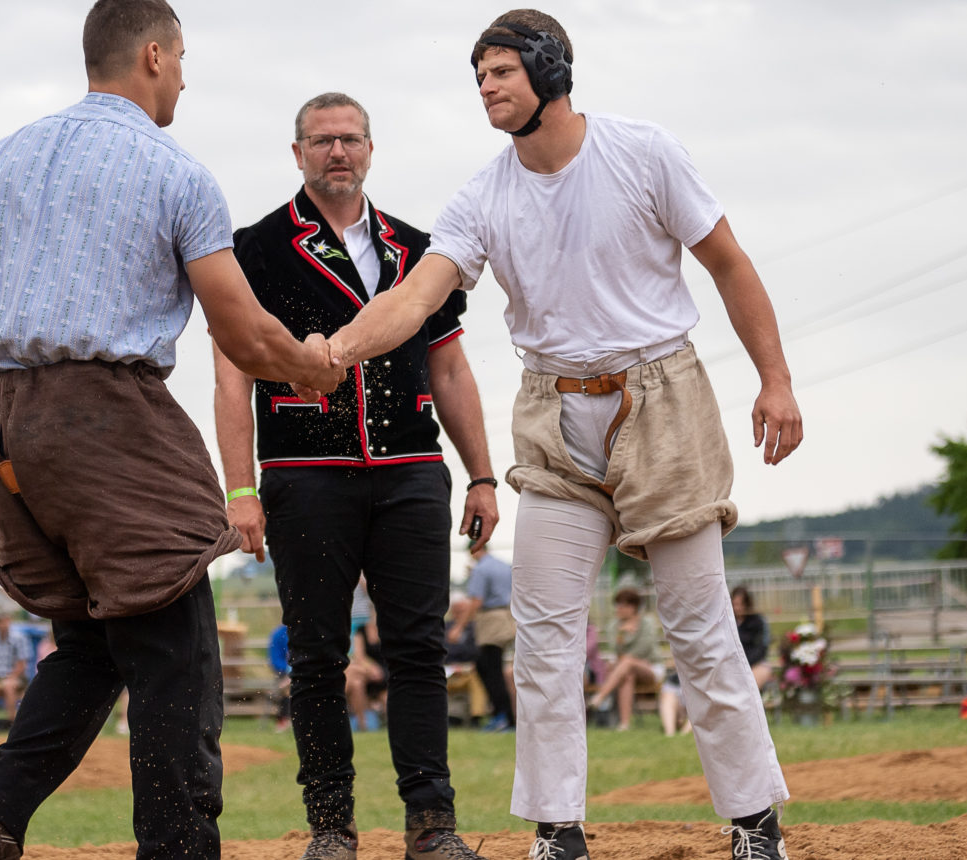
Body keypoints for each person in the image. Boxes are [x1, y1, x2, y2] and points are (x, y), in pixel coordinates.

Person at [323, 10, 801, 858]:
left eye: (500, 71)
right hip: (551, 413)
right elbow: (414, 299)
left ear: (549, 69)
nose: (486, 88)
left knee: (697, 624)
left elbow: (728, 262)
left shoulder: (642, 152)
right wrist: (331, 352)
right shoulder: (483, 195)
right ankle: (558, 832)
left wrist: (776, 379)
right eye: (478, 76)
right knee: (543, 630)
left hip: (661, 398)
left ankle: (755, 823)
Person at [0, 2, 342, 857]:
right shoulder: (176, 172)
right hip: (108, 420)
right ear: (152, 55)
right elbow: (244, 333)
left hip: (4, 424)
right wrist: (314, 366)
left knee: (93, 644)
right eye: (181, 59)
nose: (184, 75)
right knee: (176, 653)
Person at [212, 89, 497, 860]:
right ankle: (331, 828)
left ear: (371, 150)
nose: (338, 152)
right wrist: (239, 490)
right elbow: (230, 378)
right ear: (297, 153)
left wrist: (482, 476)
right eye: (322, 140)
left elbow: (451, 366)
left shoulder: (418, 248)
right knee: (316, 657)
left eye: (350, 139)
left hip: (411, 470)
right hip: (305, 474)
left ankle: (432, 825)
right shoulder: (255, 247)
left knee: (417, 651)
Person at [450, 542, 515, 731]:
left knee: (491, 668)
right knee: (487, 665)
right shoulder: (504, 566)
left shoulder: (480, 569)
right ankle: (503, 714)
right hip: (507, 616)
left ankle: (503, 716)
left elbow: (476, 600)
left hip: (491, 619)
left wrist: (459, 627)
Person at [587, 589, 664, 732]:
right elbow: (616, 649)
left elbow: (644, 649)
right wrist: (622, 634)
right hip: (626, 671)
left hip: (651, 669)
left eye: (623, 605)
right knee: (627, 674)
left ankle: (600, 696)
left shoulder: (646, 623)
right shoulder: (613, 626)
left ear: (633, 607)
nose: (619, 608)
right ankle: (624, 724)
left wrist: (629, 649)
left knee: (628, 663)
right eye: (618, 605)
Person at [731, 586, 774, 688]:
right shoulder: (728, 622)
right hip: (732, 666)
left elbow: (762, 647)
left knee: (758, 675)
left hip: (754, 663)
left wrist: (746, 663)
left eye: (741, 604)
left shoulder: (758, 621)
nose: (738, 608)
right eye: (735, 604)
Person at [268, 623, 292, 732]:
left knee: (287, 685)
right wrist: (289, 670)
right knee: (287, 687)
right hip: (283, 673)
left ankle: (285, 719)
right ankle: (284, 720)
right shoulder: (278, 634)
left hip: (302, 672)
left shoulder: (304, 631)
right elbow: (275, 661)